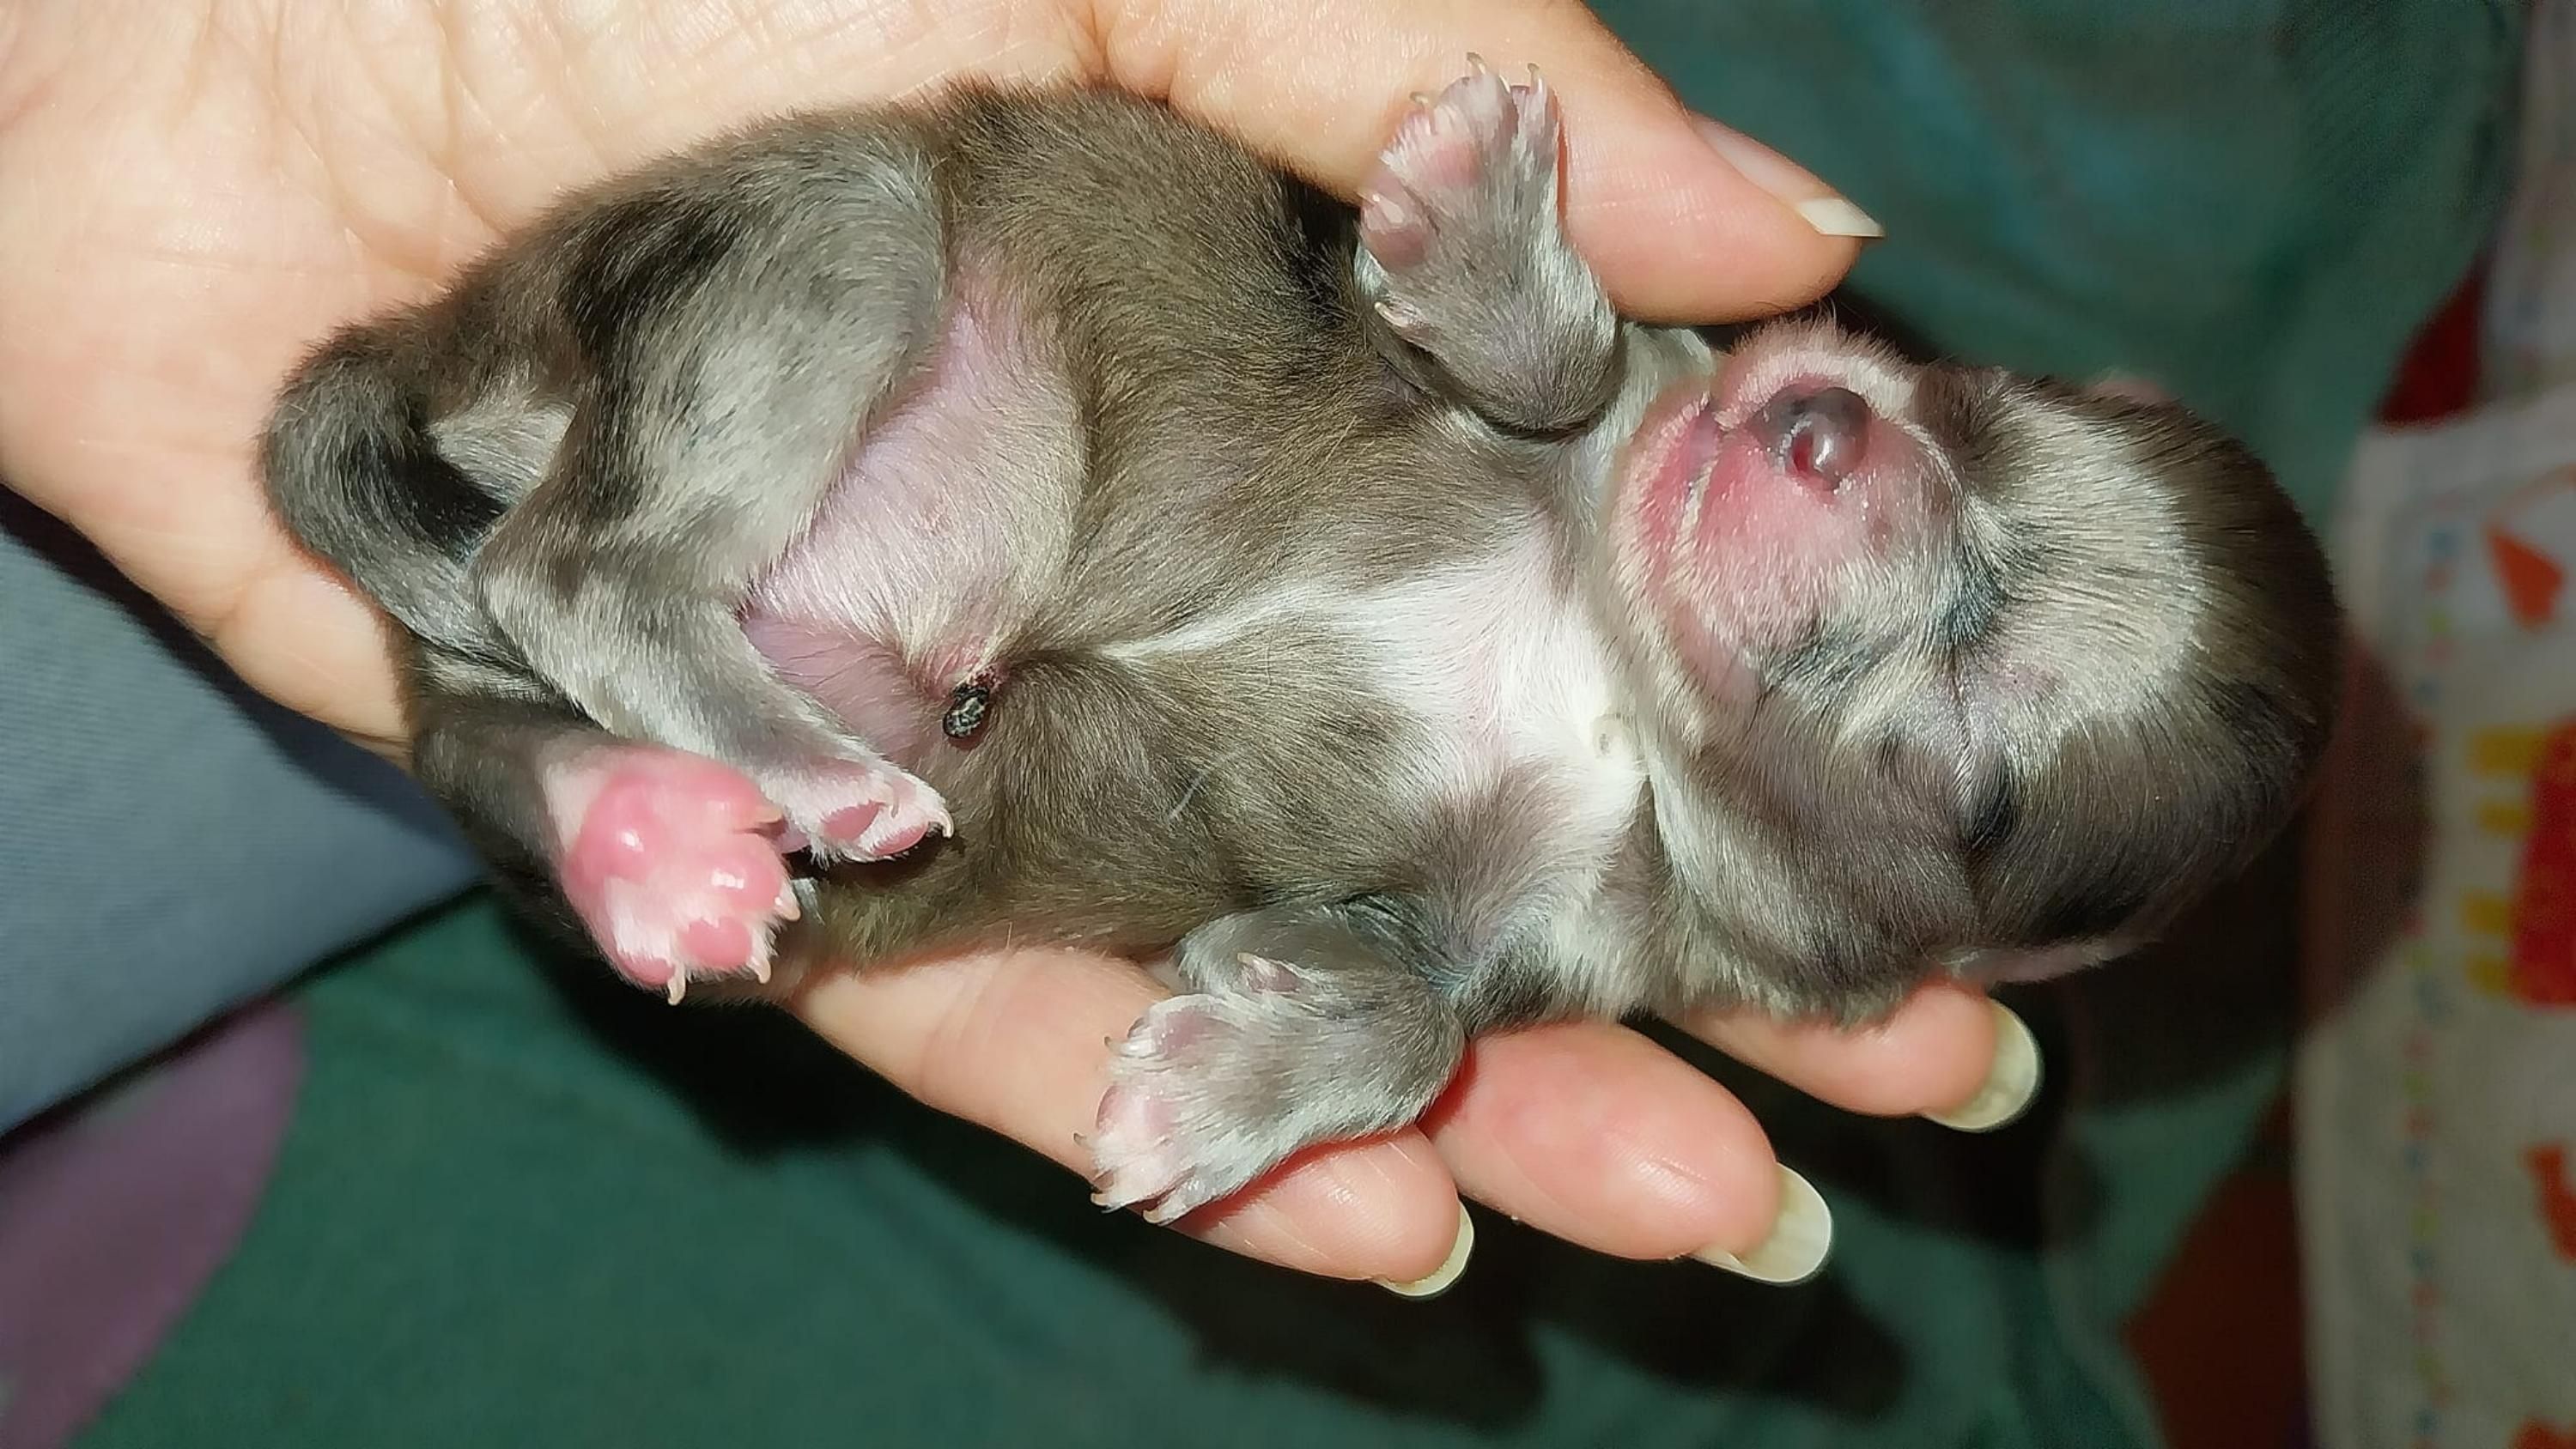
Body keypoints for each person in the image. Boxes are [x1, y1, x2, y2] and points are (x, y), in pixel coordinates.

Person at [0, 0, 2032, 1294]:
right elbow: (1490, 343)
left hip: (880, 752)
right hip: (933, 345)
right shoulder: (1612, 412)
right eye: (1988, 441)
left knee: (745, 887)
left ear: (1864, 922)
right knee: (853, 232)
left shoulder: (1592, 913)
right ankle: (606, 634)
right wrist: (1524, 306)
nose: (1880, 454)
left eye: (1964, 643)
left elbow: (1352, 961)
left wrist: (1367, 1034)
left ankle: (590, 785)